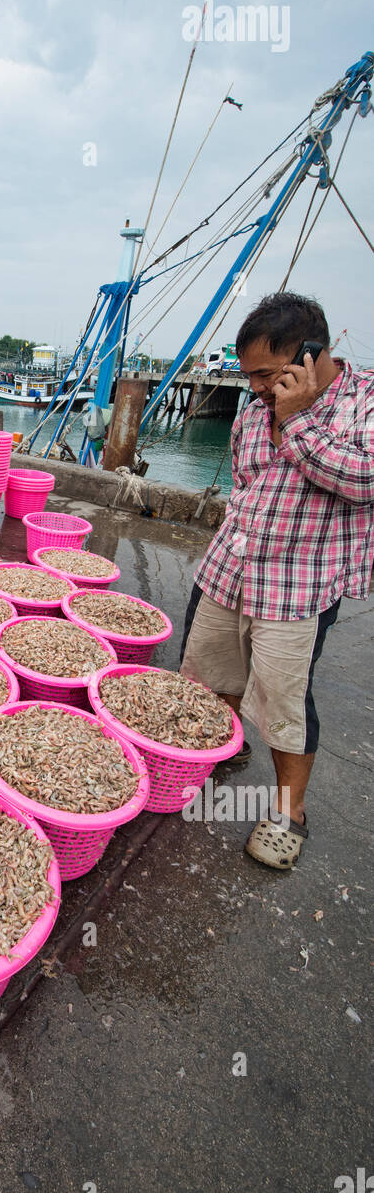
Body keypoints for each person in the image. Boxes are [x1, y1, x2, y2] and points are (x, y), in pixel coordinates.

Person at [179, 292, 374, 870]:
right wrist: (274, 407)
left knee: (285, 702)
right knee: (209, 676)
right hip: (228, 567)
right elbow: (246, 477)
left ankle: (291, 812)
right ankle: (221, 748)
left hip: (299, 587)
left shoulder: (363, 399)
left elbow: (365, 481)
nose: (257, 389)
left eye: (265, 375)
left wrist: (299, 418)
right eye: (250, 377)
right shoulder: (253, 406)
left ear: (311, 354)